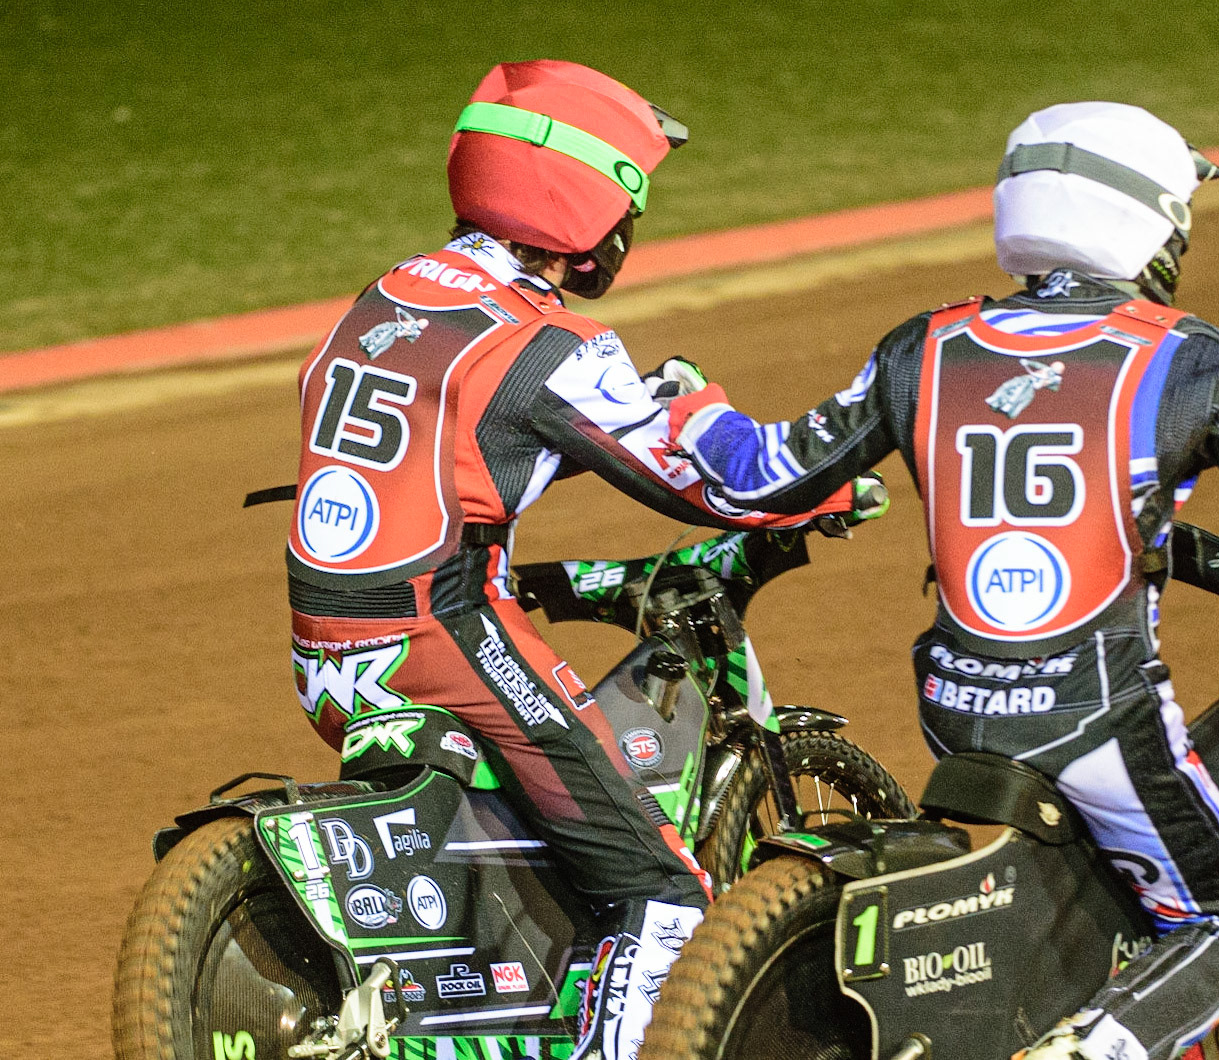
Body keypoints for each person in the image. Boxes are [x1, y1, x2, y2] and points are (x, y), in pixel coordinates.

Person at [663, 102, 1219, 1060]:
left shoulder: (925, 345)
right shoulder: (1194, 360)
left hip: (953, 704)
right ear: (1148, 224)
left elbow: (760, 473)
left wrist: (696, 412)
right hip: (1095, 715)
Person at [286, 60, 860, 1060]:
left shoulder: (387, 295)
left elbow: (452, 434)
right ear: (587, 210)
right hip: (441, 638)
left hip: (321, 651)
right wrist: (830, 483)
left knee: (541, 812)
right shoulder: (549, 344)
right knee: (662, 882)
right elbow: (705, 483)